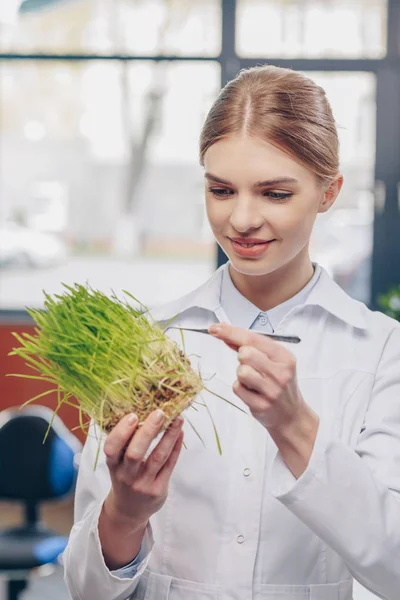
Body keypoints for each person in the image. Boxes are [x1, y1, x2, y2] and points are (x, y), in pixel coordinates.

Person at [63, 65, 400, 600]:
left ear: (329, 191)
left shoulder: (383, 351)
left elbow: (394, 570)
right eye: (221, 189)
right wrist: (125, 516)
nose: (241, 219)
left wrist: (295, 426)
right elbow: (85, 588)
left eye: (274, 194)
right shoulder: (145, 344)